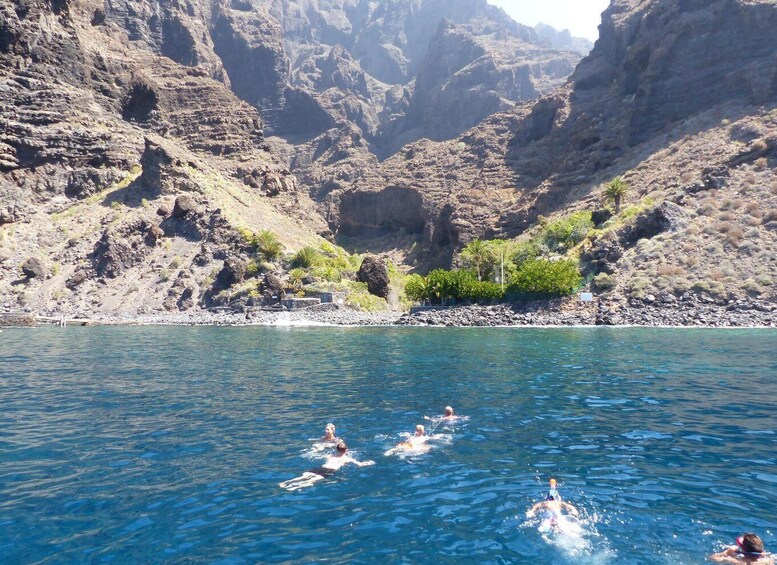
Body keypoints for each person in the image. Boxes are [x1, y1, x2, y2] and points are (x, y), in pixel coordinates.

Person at [280, 441, 374, 491]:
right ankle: (293, 487)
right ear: (346, 450)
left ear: (336, 450)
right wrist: (369, 463)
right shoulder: (347, 458)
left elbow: (319, 455)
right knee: (312, 481)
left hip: (321, 467)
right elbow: (360, 464)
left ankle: (287, 482)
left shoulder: (330, 456)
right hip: (330, 470)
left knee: (304, 476)